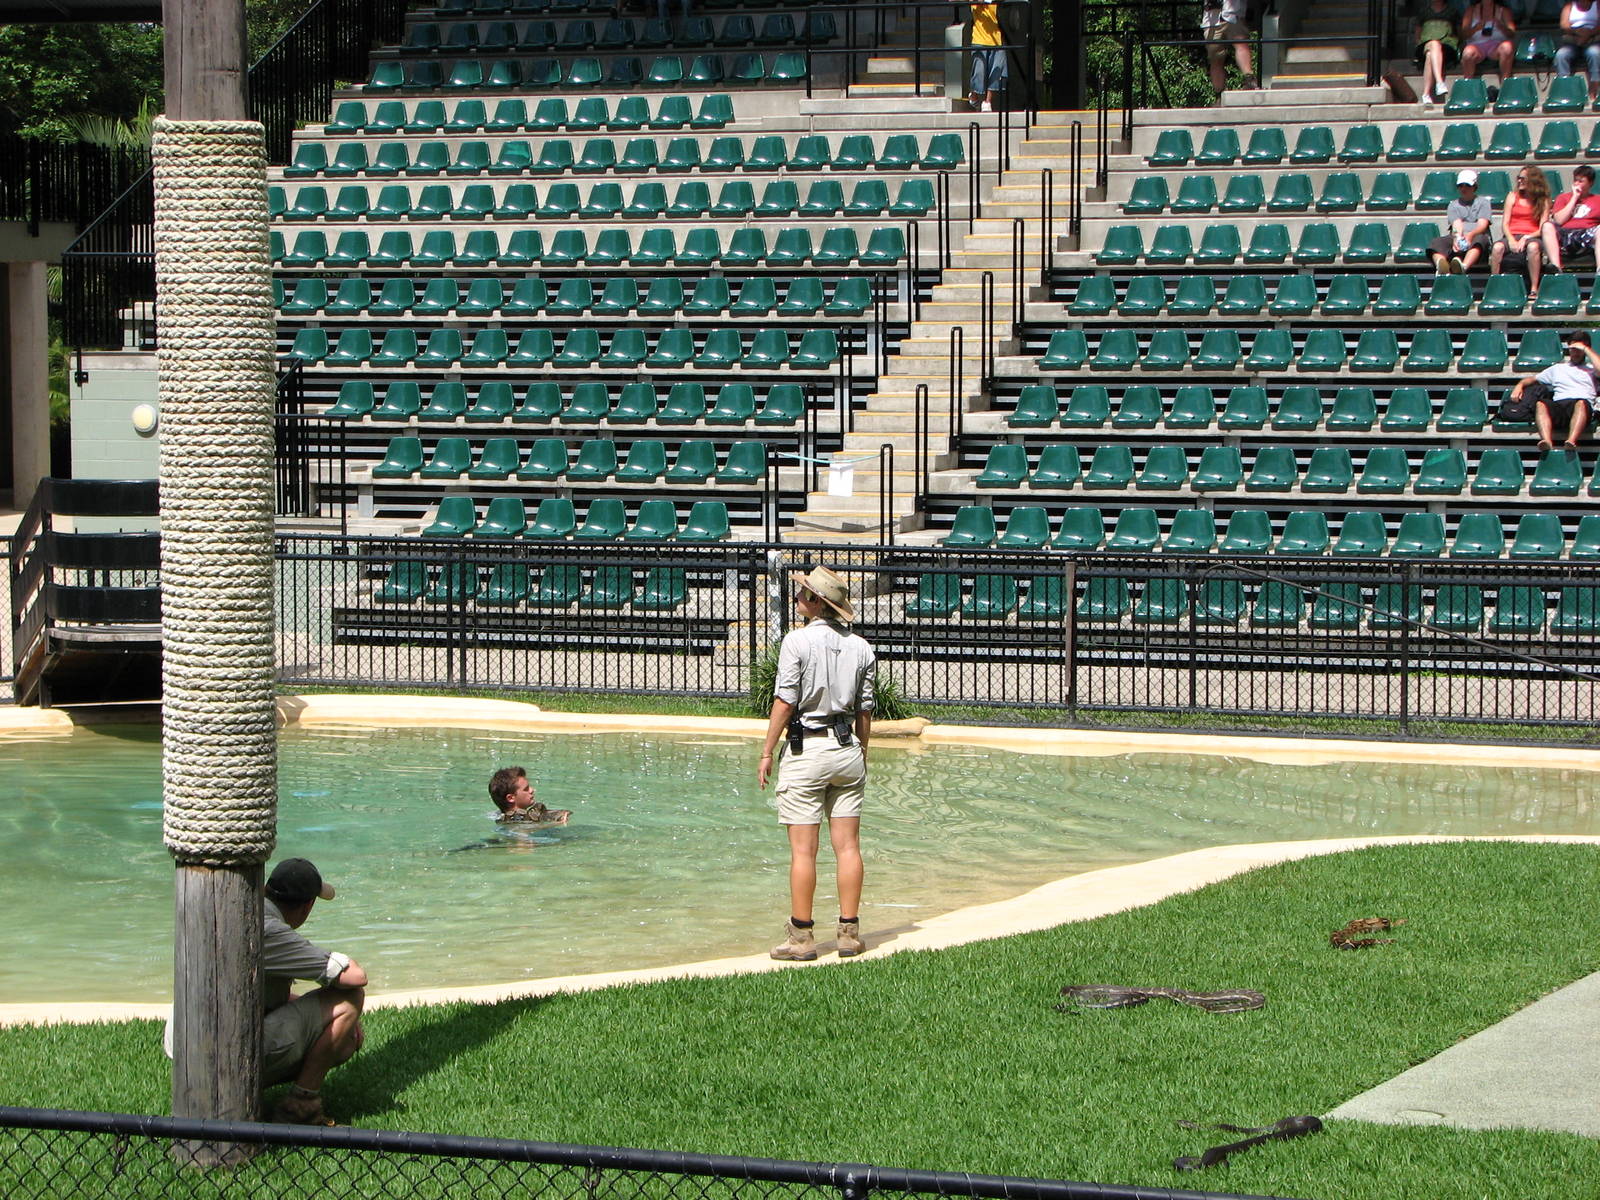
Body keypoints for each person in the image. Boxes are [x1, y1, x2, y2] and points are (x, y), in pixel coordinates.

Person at [758, 565, 876, 962]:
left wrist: (765, 751)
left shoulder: (797, 642)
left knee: (804, 853)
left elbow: (785, 700)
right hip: (847, 751)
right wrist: (863, 750)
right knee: (848, 847)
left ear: (814, 603)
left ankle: (802, 938)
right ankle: (848, 934)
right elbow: (864, 709)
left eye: (803, 593)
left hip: (806, 750)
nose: (798, 598)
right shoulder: (862, 647)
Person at [261, 858, 367, 1124]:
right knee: (349, 999)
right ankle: (301, 1105)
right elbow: (355, 976)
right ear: (308, 906)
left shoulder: (245, 909)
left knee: (344, 1037)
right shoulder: (272, 931)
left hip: (184, 1047)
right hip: (230, 1052)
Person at [1509, 330, 1600, 449]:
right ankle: (1547, 441)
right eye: (1573, 349)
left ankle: (1571, 441)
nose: (1575, 353)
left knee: (1581, 403)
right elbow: (1532, 379)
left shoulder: (1591, 369)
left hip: (1582, 406)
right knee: (1541, 404)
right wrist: (1519, 386)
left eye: (1579, 350)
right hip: (1560, 405)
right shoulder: (1558, 368)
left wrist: (1586, 349)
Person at [1491, 164, 1561, 298]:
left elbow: (1542, 227)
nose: (1519, 181)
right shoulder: (1512, 196)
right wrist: (1511, 240)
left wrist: (1526, 237)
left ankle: (1534, 288)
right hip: (1513, 234)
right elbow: (1505, 224)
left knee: (1533, 247)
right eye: (1518, 178)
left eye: (1523, 178)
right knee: (1497, 247)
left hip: (1533, 235)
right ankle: (1495, 283)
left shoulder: (1543, 200)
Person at [1429, 169, 1494, 273]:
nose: (1463, 188)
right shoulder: (1453, 205)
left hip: (1477, 236)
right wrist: (1457, 237)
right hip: (1461, 237)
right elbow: (1456, 225)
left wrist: (1470, 235)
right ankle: (1441, 265)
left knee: (1479, 240)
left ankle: (1463, 266)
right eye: (1460, 185)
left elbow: (1482, 225)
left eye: (1467, 185)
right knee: (1436, 242)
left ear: (1474, 187)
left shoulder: (1484, 203)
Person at [1202, 0, 1258, 97]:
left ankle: (1250, 79)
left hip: (1233, 15)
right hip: (1212, 21)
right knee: (1215, 58)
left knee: (1241, 45)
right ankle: (1219, 93)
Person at [1551, 165, 1600, 269]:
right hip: (1565, 234)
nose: (1576, 184)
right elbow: (1559, 220)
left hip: (1587, 235)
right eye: (1575, 180)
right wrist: (1574, 198)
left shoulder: (1597, 200)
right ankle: (1556, 268)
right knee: (1547, 226)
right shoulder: (1563, 198)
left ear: (1590, 183)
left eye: (1581, 181)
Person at [488, 765, 570, 825]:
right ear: (511, 798)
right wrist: (556, 823)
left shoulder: (497, 816)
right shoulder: (513, 823)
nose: (532, 790)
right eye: (526, 789)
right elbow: (522, 836)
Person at [1415, 0, 1461, 104]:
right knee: (1433, 44)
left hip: (1447, 47)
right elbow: (1417, 35)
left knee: (1430, 54)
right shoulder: (1423, 12)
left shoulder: (1452, 12)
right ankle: (1439, 82)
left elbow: (1459, 33)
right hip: (1425, 44)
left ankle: (1426, 94)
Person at [1458, 0, 1516, 79]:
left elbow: (1512, 33)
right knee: (1467, 53)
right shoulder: (1471, 10)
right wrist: (1476, 28)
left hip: (1497, 46)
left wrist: (1501, 27)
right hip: (1476, 46)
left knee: (1507, 47)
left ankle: (1505, 82)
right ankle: (1468, 83)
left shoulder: (1503, 10)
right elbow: (1464, 34)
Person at [967, 3, 1007, 113]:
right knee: (979, 71)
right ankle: (974, 95)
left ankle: (987, 101)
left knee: (996, 70)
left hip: (997, 40)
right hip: (979, 40)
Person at [1558, 0, 1600, 99]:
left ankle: (1595, 87)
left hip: (1593, 38)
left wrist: (1589, 33)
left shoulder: (1597, 4)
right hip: (1574, 39)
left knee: (1594, 53)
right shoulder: (1569, 5)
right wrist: (1577, 32)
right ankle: (1565, 89)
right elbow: (1564, 24)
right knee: (1561, 55)